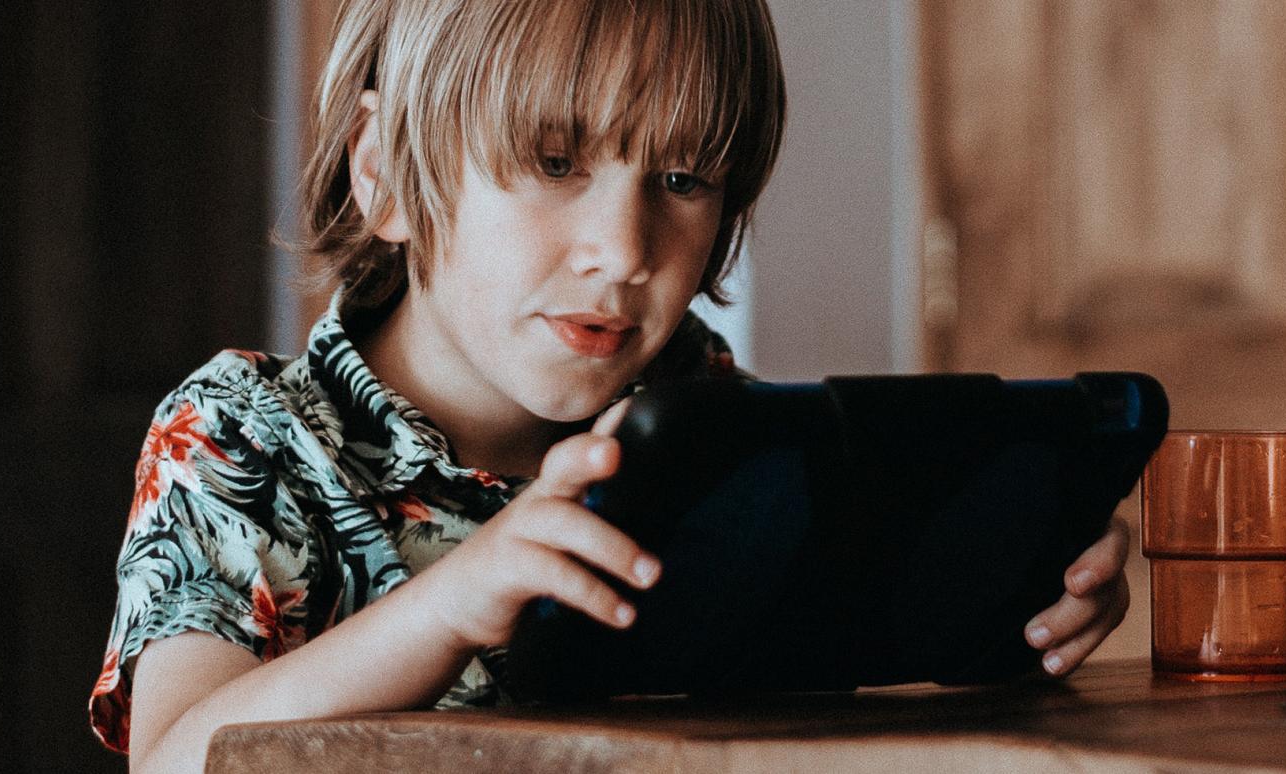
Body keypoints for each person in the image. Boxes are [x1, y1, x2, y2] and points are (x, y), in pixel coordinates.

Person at [89, 0, 1132, 771]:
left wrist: (1005, 619)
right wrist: (454, 604)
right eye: (554, 161)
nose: (625, 249)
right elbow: (179, 756)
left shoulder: (709, 427)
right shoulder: (243, 434)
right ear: (386, 175)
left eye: (682, 182)